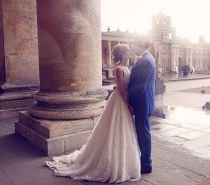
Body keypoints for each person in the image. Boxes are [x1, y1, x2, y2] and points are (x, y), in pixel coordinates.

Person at [45, 44, 141, 183]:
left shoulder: (127, 68)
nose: (129, 52)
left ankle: (122, 159)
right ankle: (112, 163)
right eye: (127, 51)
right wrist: (129, 105)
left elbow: (122, 86)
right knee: (115, 130)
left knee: (122, 131)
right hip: (120, 102)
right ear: (122, 54)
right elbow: (122, 91)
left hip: (121, 101)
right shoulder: (119, 69)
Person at [128, 40, 156, 174]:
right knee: (143, 132)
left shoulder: (145, 61)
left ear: (142, 45)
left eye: (136, 44)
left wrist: (132, 103)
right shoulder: (148, 58)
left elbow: (140, 87)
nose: (134, 47)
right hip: (145, 102)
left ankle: (146, 164)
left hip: (142, 103)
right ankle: (144, 161)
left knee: (143, 134)